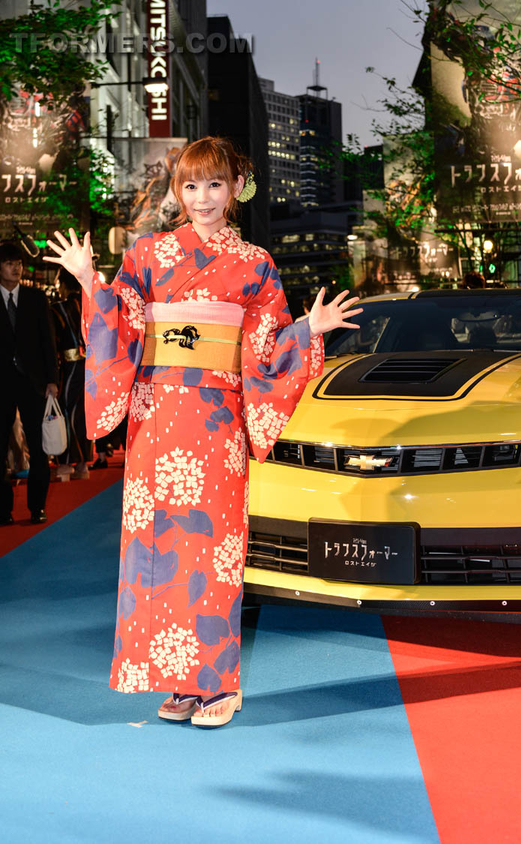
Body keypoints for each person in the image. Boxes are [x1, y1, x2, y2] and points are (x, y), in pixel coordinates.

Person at [43, 136, 362, 727]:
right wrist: (91, 281)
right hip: (156, 418)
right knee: (157, 547)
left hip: (215, 420)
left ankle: (219, 685)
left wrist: (306, 330)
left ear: (237, 188)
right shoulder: (148, 255)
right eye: (190, 185)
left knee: (212, 548)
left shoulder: (255, 263)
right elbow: (121, 325)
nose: (203, 197)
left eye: (215, 184)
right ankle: (179, 681)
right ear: (176, 192)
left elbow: (262, 353)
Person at [0, 241, 58, 525]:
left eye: (18, 263)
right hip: (1, 384)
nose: (15, 267)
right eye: (9, 262)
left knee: (39, 446)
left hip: (33, 382)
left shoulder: (36, 298)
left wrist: (52, 380)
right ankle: (2, 510)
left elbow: (49, 341)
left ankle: (38, 507)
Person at [52, 267, 92, 480]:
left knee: (65, 411)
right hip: (91, 367)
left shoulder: (59, 308)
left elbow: (52, 342)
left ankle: (66, 463)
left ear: (64, 285)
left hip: (70, 368)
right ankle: (83, 464)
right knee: (84, 413)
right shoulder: (90, 305)